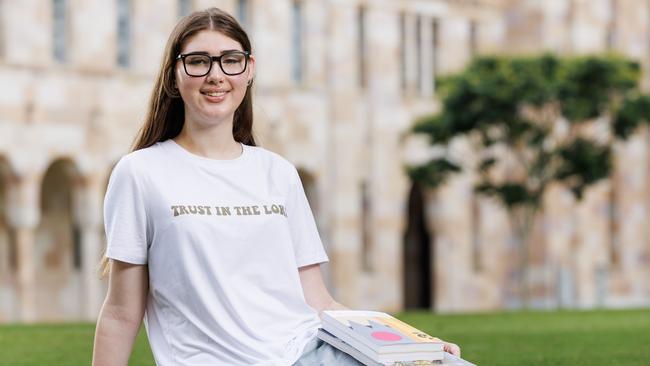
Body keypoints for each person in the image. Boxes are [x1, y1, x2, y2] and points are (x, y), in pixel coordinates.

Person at [92, 7, 460, 366]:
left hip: (308, 350)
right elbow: (122, 312)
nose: (215, 75)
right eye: (198, 61)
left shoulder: (277, 172)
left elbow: (319, 300)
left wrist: (413, 347)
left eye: (230, 60)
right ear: (175, 74)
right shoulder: (140, 173)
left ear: (248, 70)